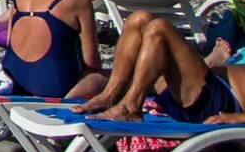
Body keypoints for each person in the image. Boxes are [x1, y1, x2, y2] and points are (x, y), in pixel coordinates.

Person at [0, 0, 103, 103]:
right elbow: (91, 61)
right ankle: (67, 106)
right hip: (54, 87)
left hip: (15, 79)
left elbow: (11, 39)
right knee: (110, 78)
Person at [96, 8, 240, 123]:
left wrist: (233, 118)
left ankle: (130, 107)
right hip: (194, 92)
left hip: (213, 103)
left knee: (160, 28)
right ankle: (111, 95)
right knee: (140, 19)